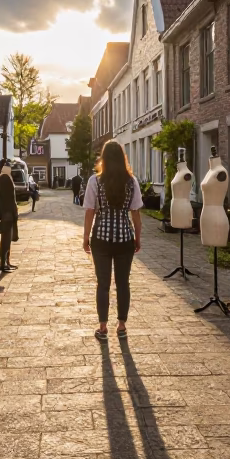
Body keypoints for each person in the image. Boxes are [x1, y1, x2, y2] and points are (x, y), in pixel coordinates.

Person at [83, 140, 142, 341]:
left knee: (103, 284)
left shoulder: (95, 181)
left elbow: (90, 211)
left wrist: (86, 238)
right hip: (125, 238)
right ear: (122, 158)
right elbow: (135, 213)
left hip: (101, 238)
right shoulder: (131, 182)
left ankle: (103, 327)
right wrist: (137, 237)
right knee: (123, 283)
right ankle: (122, 325)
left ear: (104, 159)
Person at [0, 163, 19, 271]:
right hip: (7, 213)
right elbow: (7, 198)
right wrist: (13, 212)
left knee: (8, 238)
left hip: (8, 212)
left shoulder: (5, 177)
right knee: (6, 239)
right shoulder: (4, 178)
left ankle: (7, 261)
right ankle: (3, 263)